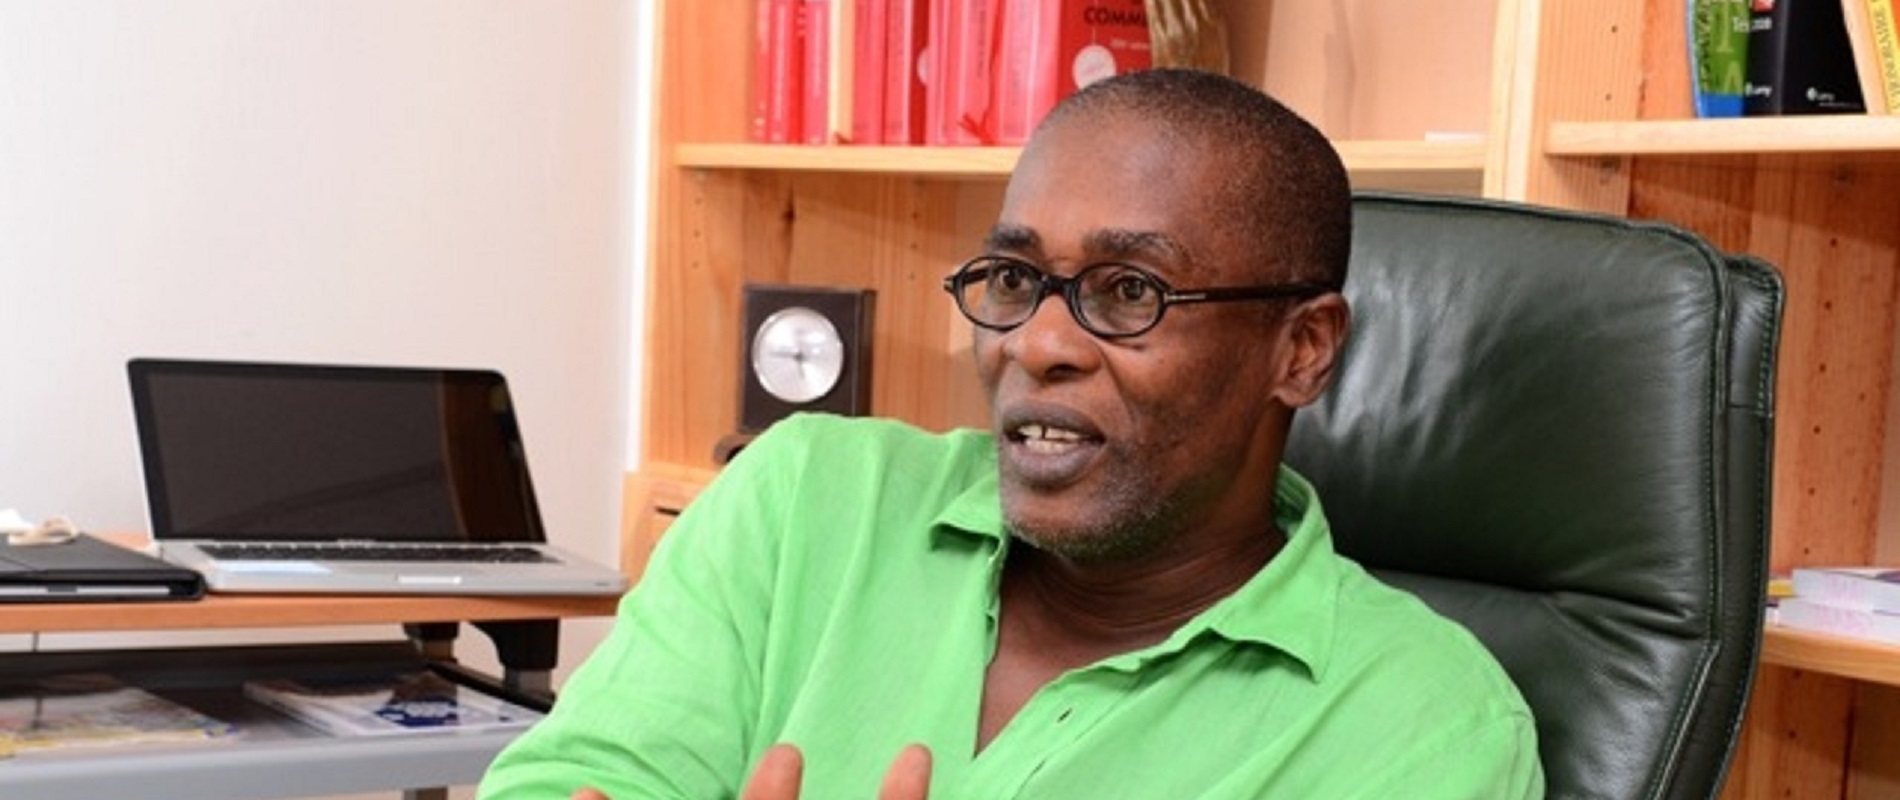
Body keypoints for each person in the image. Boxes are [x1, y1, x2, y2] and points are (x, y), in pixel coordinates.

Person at [478, 68, 1543, 800]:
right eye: (1014, 277)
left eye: (1130, 290)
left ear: (1301, 349)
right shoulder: (803, 498)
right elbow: (573, 781)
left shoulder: (1425, 725)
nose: (1036, 342)